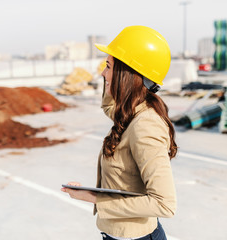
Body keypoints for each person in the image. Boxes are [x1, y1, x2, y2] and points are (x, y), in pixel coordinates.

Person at [61, 25, 177, 240]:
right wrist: (112, 81)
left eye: (108, 66)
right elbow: (109, 107)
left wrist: (93, 197)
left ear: (127, 74)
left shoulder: (145, 125)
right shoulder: (131, 111)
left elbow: (164, 204)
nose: (102, 73)